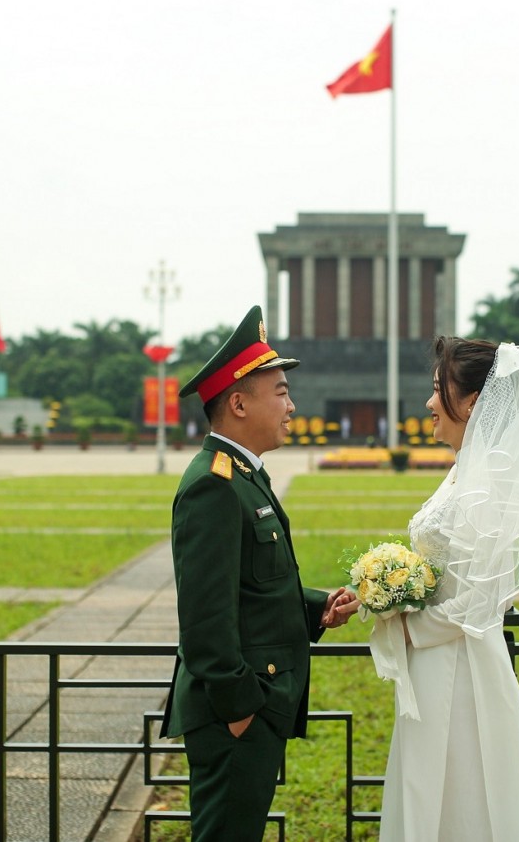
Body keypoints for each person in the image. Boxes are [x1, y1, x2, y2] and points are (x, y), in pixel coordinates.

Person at [372, 336, 519, 841]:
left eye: (436, 390)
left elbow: (483, 600)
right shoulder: (464, 471)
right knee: (429, 786)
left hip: (460, 669)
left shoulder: (488, 480)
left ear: (470, 401)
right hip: (435, 662)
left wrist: (408, 624)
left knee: (461, 791)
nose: (428, 404)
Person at [160, 305, 358, 842]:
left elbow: (253, 585)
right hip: (237, 714)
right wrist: (241, 707)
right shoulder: (214, 485)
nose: (292, 406)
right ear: (239, 403)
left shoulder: (244, 475)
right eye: (281, 393)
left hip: (252, 707)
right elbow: (205, 618)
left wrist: (316, 607)